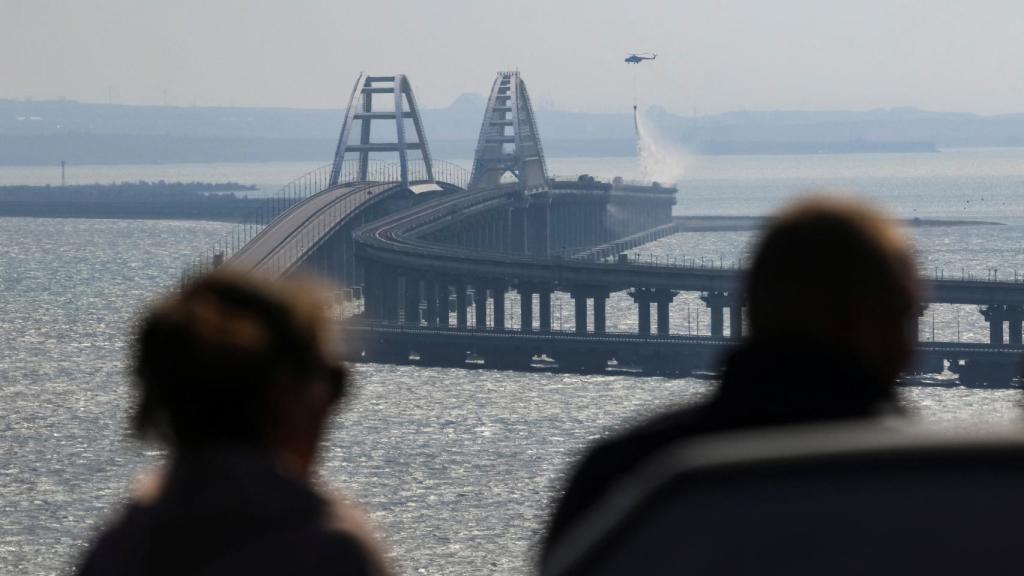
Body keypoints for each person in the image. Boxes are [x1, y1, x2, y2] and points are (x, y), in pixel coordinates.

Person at [541, 197, 921, 567]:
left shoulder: (624, 475)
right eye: (904, 319)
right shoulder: (930, 484)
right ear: (865, 324)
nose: (912, 351)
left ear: (754, 307)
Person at [76, 271, 390, 576]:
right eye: (335, 382)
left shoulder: (120, 548)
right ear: (285, 396)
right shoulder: (328, 548)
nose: (335, 405)